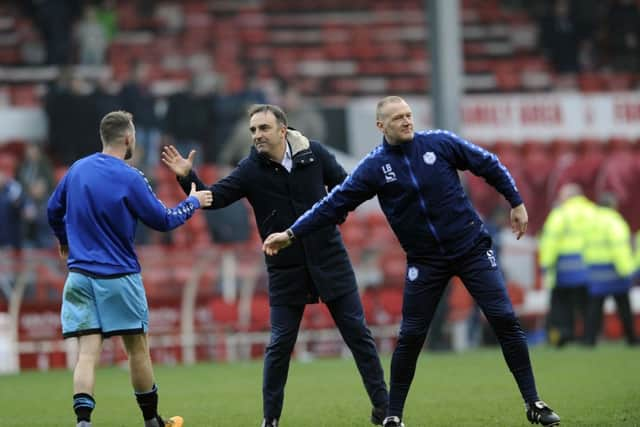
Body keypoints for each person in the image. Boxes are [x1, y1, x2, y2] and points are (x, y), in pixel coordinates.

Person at [263, 96, 561, 427]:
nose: (407, 121)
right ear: (381, 126)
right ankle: (393, 415)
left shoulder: (440, 143)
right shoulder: (374, 167)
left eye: (408, 115)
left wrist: (516, 202)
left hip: (471, 247)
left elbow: (488, 163)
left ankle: (533, 402)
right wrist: (291, 233)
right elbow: (332, 205)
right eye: (397, 118)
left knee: (504, 318)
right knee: (412, 335)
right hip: (426, 260)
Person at [161, 104, 389, 427]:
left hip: (330, 258)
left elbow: (346, 189)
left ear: (283, 130)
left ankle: (385, 411)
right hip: (285, 268)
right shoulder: (249, 169)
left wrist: (332, 219)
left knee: (359, 337)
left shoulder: (315, 154)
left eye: (263, 128)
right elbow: (214, 198)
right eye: (253, 130)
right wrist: (188, 177)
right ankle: (270, 421)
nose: (256, 135)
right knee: (280, 345)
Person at [47, 111, 213, 427]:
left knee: (86, 353)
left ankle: (83, 423)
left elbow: (53, 209)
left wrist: (63, 239)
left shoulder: (77, 170)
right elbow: (163, 220)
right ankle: (152, 421)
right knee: (137, 351)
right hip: (118, 277)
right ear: (128, 138)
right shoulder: (129, 176)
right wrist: (192, 202)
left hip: (79, 276)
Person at [539, 183, 594, 348]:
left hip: (564, 268)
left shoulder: (560, 214)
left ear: (567, 197)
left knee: (562, 304)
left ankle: (564, 335)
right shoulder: (592, 212)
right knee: (587, 304)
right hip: (588, 266)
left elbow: (550, 240)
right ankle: (588, 337)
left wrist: (545, 264)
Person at [583, 192, 637, 346]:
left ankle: (589, 340)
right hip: (614, 270)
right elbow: (619, 248)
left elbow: (583, 246)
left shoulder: (590, 221)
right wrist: (627, 270)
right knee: (623, 306)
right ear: (613, 205)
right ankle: (631, 338)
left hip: (595, 270)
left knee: (594, 307)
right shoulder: (614, 222)